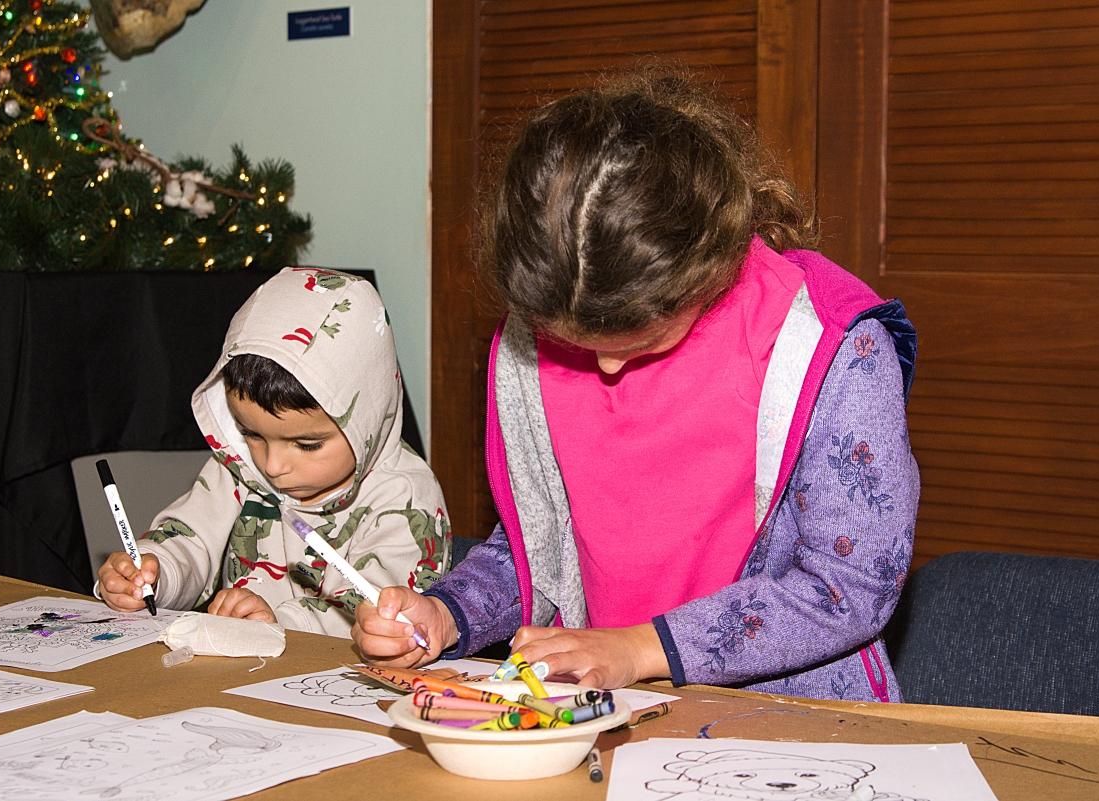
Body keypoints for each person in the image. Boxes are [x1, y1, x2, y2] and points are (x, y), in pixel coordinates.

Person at [353, 73, 919, 701]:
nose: (606, 367)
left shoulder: (830, 346)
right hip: (605, 706)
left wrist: (642, 648)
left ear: (702, 265)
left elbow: (850, 584)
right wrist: (449, 612)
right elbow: (541, 546)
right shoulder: (530, 339)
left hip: (790, 717)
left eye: (636, 337)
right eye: (574, 341)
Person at [97, 267, 450, 637]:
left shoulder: (405, 497)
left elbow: (382, 611)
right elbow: (191, 537)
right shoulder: (238, 463)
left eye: (307, 445)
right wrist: (154, 572)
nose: (272, 464)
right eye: (251, 433)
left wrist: (282, 626)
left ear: (367, 419)